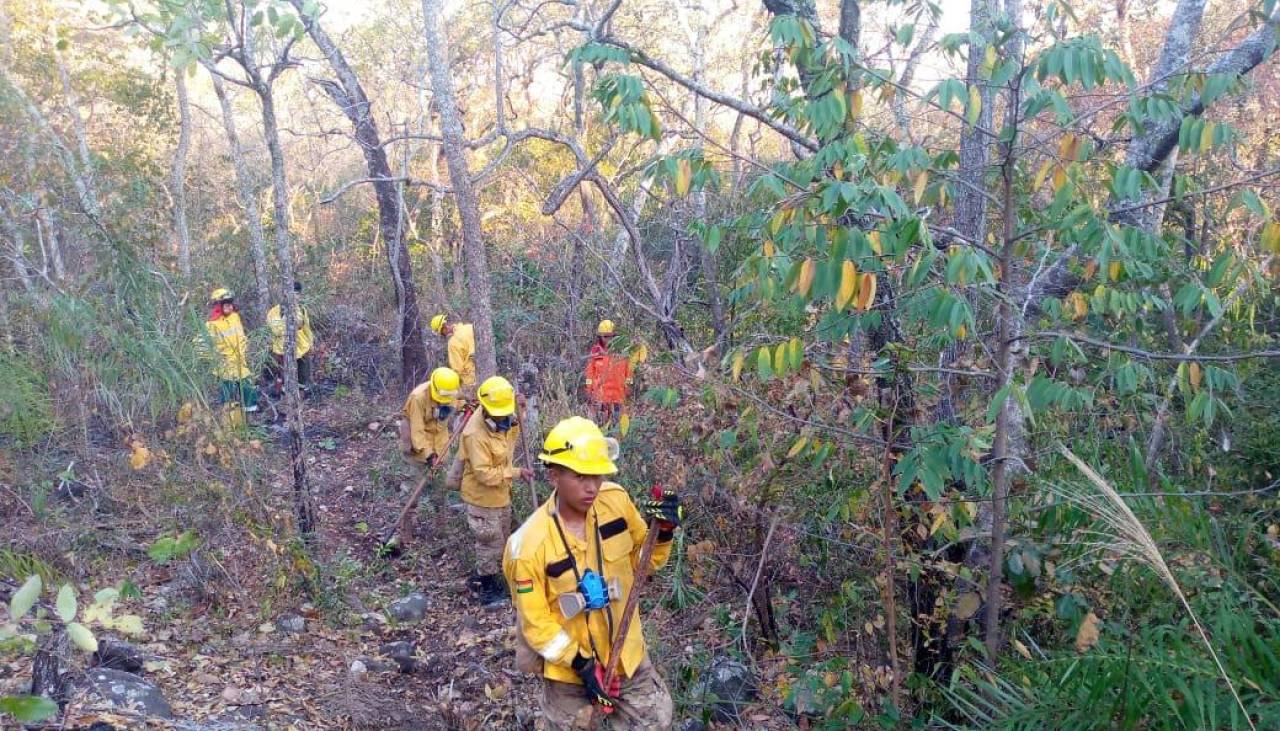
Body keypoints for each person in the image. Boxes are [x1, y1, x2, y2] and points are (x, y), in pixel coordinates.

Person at [503, 416, 683, 730]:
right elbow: (535, 623)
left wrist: (664, 532)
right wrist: (582, 665)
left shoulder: (615, 502)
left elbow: (646, 563)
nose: (592, 487)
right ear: (554, 475)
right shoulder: (527, 545)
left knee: (655, 721)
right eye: (580, 476)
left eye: (597, 476)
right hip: (569, 674)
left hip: (627, 656)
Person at [459, 375, 531, 606]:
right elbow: (484, 474)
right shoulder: (474, 434)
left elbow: (511, 434)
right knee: (489, 541)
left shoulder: (503, 418)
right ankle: (487, 590)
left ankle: (485, 576)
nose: (504, 418)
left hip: (501, 495)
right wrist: (516, 473)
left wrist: (521, 410)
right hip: (482, 498)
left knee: (502, 539)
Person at [197, 288, 258, 412]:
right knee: (227, 395)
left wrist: (247, 349)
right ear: (218, 306)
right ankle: (226, 420)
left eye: (230, 304)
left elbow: (241, 336)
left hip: (241, 363)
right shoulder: (211, 325)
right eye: (226, 304)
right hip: (225, 367)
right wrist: (216, 359)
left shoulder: (235, 317)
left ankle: (250, 418)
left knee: (248, 390)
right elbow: (201, 346)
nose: (229, 307)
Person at [400, 366, 462, 487]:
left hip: (440, 441)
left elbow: (462, 401)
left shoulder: (453, 391)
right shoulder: (418, 397)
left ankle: (434, 497)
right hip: (417, 441)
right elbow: (417, 431)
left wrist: (467, 406)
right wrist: (429, 455)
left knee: (437, 484)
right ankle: (410, 500)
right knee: (414, 482)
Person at [265, 281, 315, 399]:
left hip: (302, 348)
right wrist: (289, 322)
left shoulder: (301, 309)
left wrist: (311, 343)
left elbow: (306, 327)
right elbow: (276, 330)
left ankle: (301, 397)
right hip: (283, 350)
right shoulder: (274, 312)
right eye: (291, 294)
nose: (294, 297)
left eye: (297, 294)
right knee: (283, 375)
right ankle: (282, 398)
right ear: (284, 295)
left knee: (303, 375)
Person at [584, 319, 631, 427]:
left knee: (618, 427)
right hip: (601, 397)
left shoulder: (623, 352)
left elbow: (629, 373)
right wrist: (589, 388)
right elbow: (589, 374)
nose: (609, 339)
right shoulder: (595, 352)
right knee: (600, 427)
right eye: (605, 336)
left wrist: (628, 386)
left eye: (611, 336)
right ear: (600, 337)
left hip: (618, 397)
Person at [430, 314, 476, 392]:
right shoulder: (469, 327)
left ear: (443, 329)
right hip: (487, 369)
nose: (442, 336)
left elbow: (457, 369)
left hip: (471, 380)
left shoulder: (452, 343)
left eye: (441, 333)